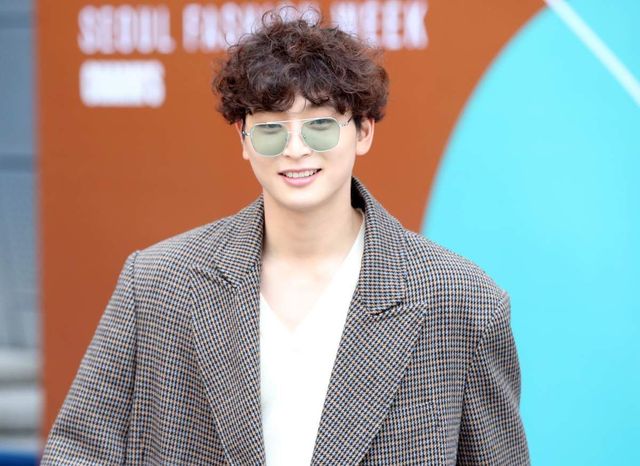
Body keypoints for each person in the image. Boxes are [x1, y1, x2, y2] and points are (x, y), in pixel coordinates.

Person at [41, 8, 530, 465]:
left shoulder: (461, 300)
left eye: (320, 127)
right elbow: (79, 449)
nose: (295, 150)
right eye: (272, 129)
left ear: (363, 131)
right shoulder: (157, 284)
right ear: (243, 138)